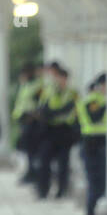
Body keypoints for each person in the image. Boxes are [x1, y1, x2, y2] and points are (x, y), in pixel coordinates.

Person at [33, 62, 79, 200]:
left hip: (65, 131)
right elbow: (42, 110)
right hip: (49, 130)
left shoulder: (72, 93)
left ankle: (61, 190)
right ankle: (43, 190)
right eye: (58, 78)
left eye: (63, 78)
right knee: (44, 161)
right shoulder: (48, 91)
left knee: (63, 163)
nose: (60, 81)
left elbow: (71, 110)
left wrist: (54, 113)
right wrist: (55, 113)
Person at [78, 73, 107, 215]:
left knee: (103, 183)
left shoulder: (104, 100)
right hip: (92, 145)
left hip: (105, 144)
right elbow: (94, 117)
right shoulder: (92, 100)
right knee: (95, 183)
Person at [12, 63, 44, 184]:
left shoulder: (37, 86)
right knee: (27, 150)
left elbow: (39, 104)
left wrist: (32, 116)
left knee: (33, 151)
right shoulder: (26, 85)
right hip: (24, 121)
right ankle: (30, 172)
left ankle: (34, 173)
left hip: (32, 122)